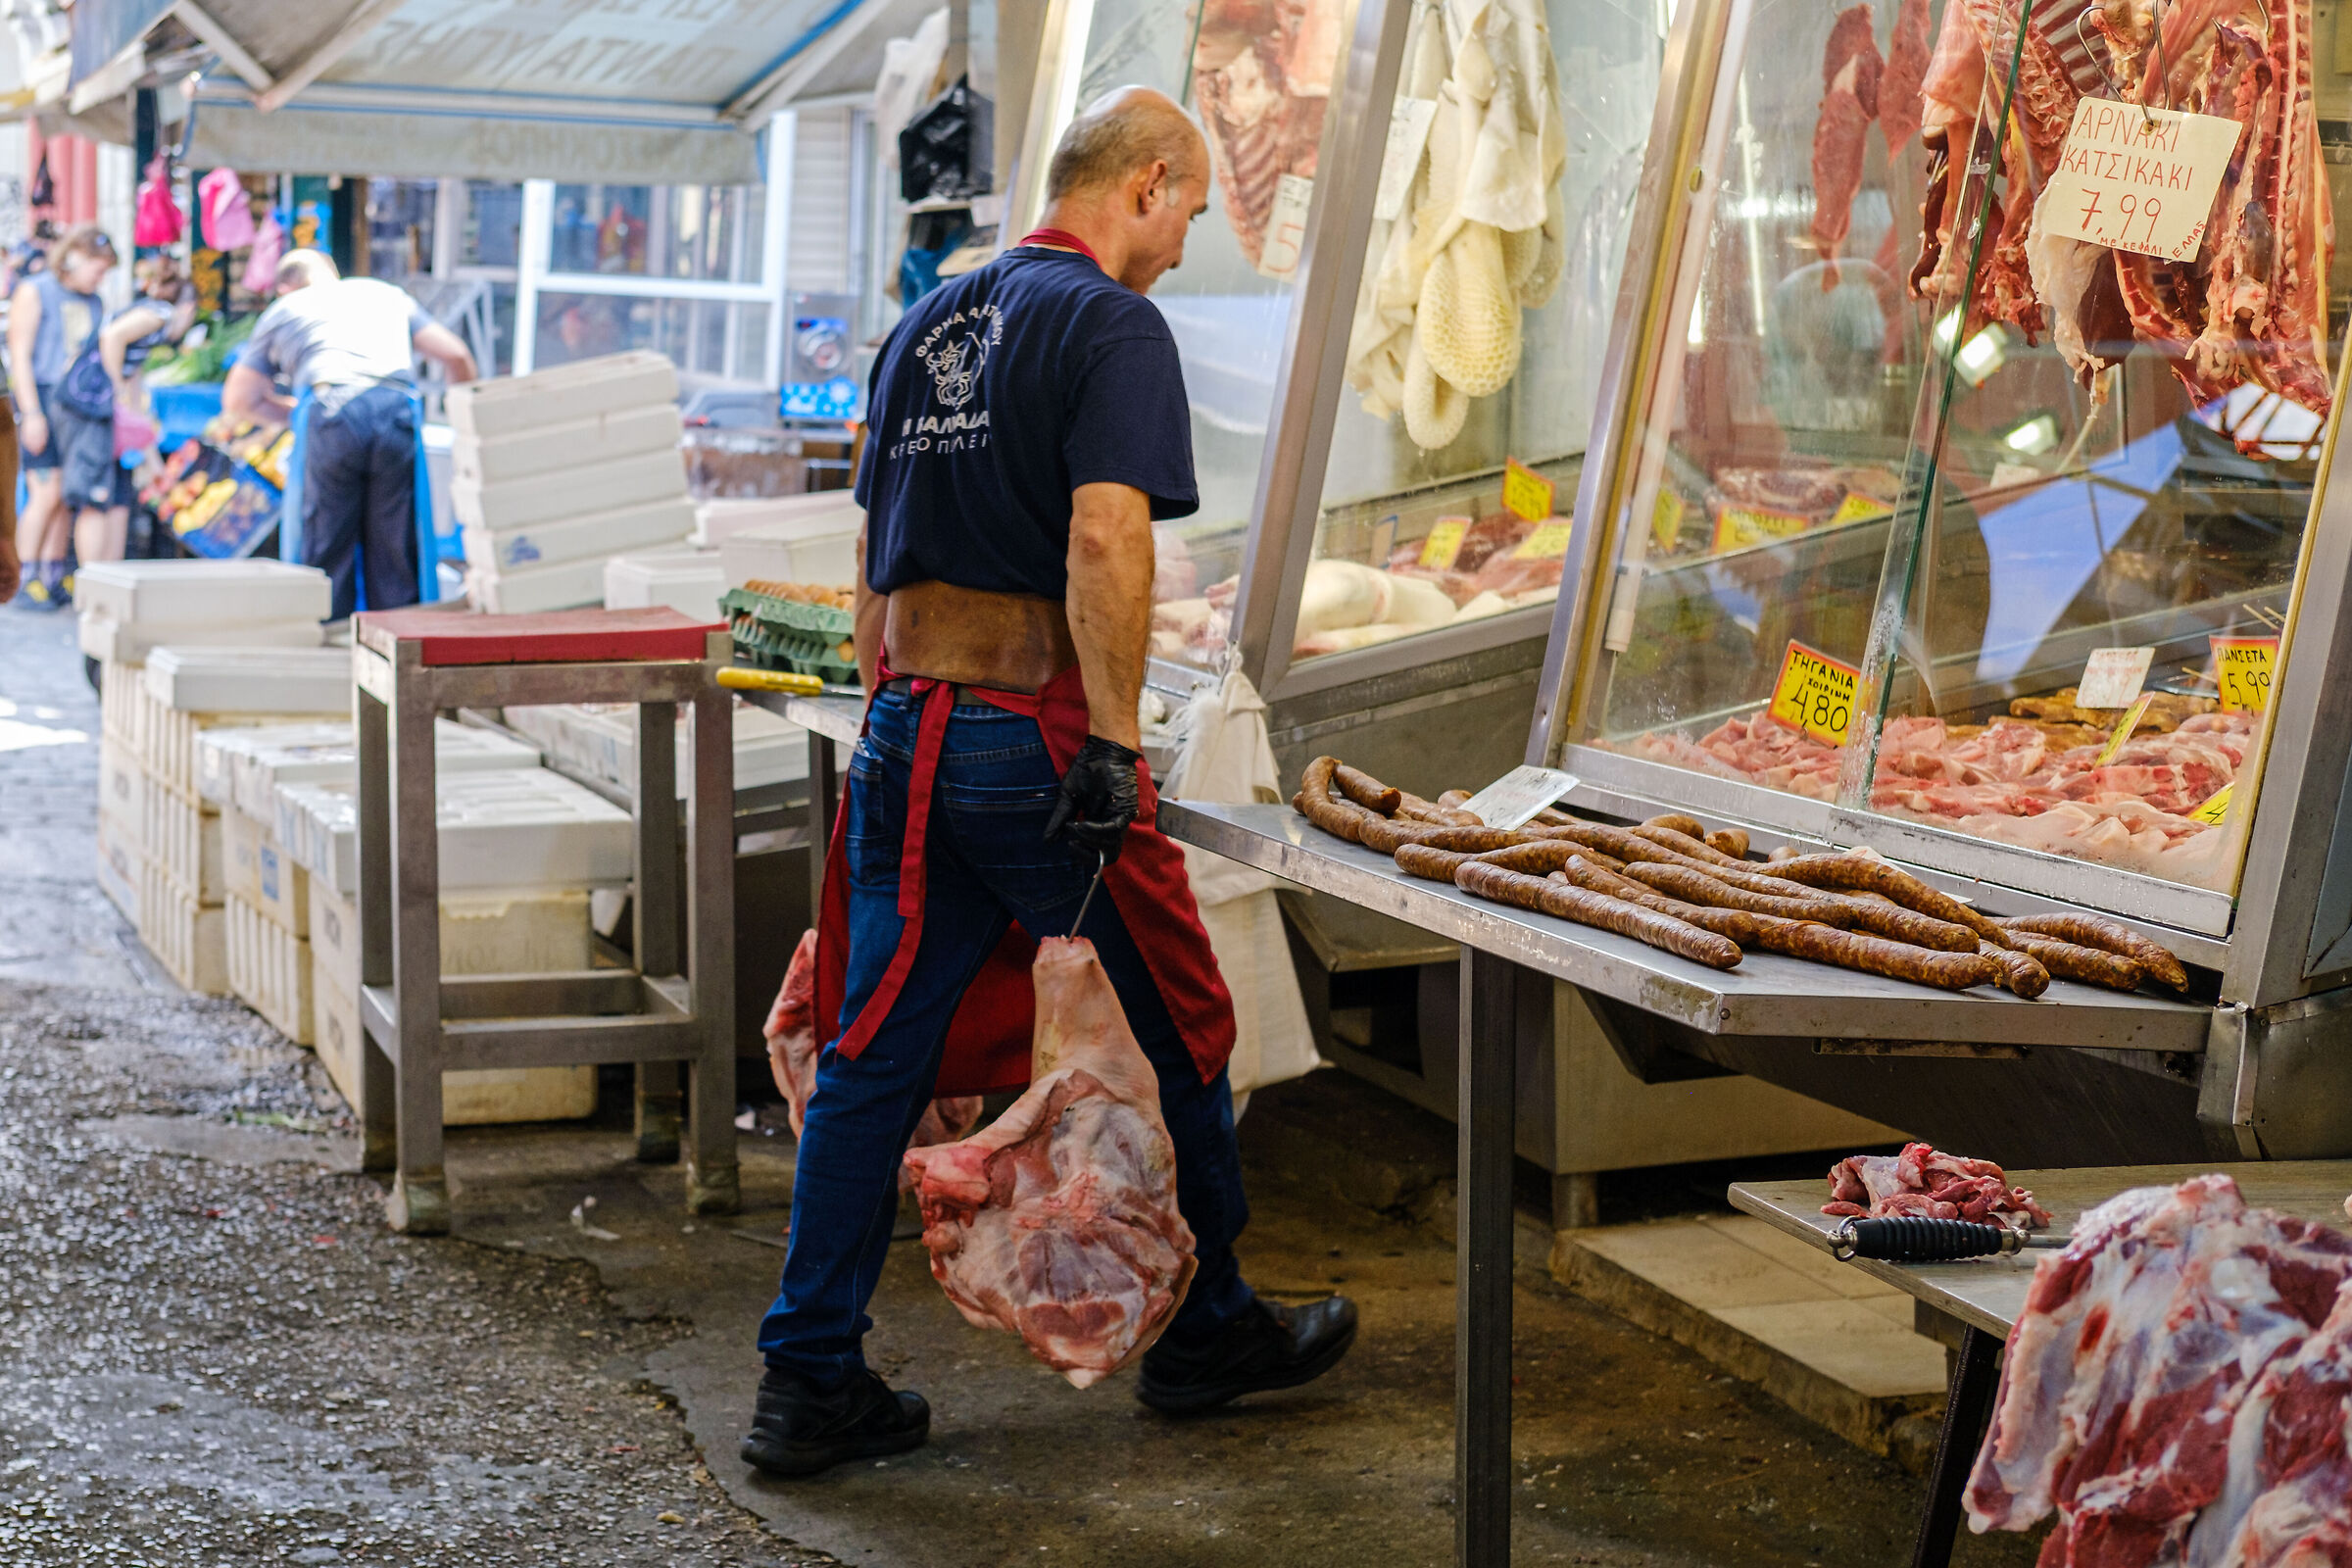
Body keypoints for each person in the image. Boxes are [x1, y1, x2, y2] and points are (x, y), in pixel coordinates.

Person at [741, 85, 1357, 1480]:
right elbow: (1103, 540)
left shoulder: (928, 321)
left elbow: (869, 567)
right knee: (1187, 1024)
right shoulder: (1110, 325)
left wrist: (902, 711)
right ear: (1143, 185)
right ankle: (1209, 1335)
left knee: (868, 1061)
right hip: (1033, 738)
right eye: (1189, 212)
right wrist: (1116, 740)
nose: (1185, 246)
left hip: (906, 728)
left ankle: (807, 1378)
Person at [222, 249, 477, 618]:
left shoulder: (287, 308)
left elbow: (239, 399)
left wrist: (293, 415)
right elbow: (456, 356)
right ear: (333, 272)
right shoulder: (386, 294)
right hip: (395, 410)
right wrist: (464, 426)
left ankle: (329, 651)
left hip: (331, 410)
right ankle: (394, 651)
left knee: (326, 552)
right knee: (396, 552)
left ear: (284, 287)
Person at [8, 224, 119, 611]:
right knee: (45, 489)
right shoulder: (35, 290)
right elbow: (19, 356)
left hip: (77, 404)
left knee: (64, 496)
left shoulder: (95, 302)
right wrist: (31, 413)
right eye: (97, 268)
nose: (99, 277)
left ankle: (52, 575)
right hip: (39, 395)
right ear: (74, 258)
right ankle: (22, 576)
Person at [98, 255, 197, 559]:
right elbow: (111, 336)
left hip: (105, 400)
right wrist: (114, 386)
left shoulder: (152, 324)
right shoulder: (161, 314)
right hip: (95, 399)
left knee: (120, 487)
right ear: (189, 309)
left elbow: (135, 379)